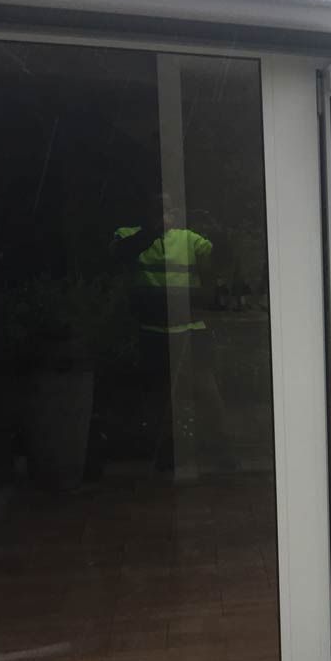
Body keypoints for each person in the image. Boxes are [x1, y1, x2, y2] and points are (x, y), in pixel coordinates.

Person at [111, 195, 227, 474]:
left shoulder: (189, 238)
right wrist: (151, 231)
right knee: (160, 396)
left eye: (169, 209)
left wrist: (218, 231)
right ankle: (167, 451)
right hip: (152, 330)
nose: (165, 214)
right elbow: (118, 253)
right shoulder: (127, 235)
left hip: (190, 328)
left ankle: (222, 450)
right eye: (158, 209)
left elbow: (217, 257)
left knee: (206, 389)